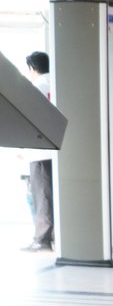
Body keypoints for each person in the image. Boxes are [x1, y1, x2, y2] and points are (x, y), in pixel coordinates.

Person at [22, 51, 54, 251]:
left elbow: (29, 118)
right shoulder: (57, 82)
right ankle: (54, 236)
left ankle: (41, 239)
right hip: (55, 149)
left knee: (41, 194)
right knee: (52, 194)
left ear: (33, 68)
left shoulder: (36, 86)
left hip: (39, 150)